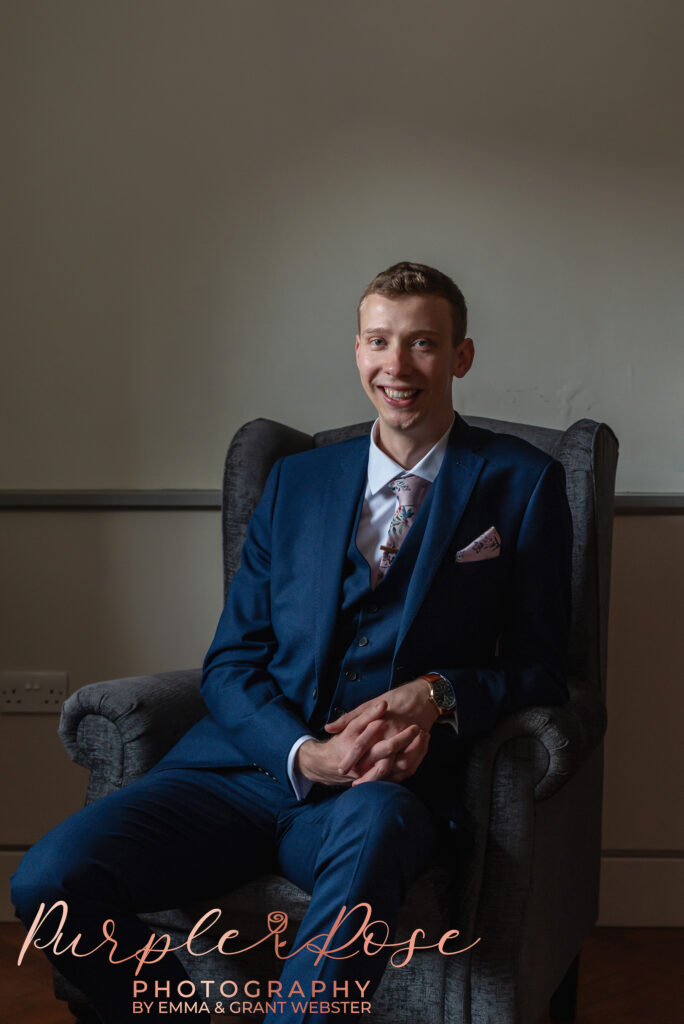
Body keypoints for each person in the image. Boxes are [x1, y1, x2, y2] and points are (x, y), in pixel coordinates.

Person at [11, 262, 572, 1023]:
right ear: (357, 350)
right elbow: (232, 663)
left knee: (377, 826)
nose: (397, 367)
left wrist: (439, 697)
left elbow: (543, 667)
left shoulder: (523, 482)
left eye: (423, 344)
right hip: (240, 773)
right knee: (47, 880)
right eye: (380, 342)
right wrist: (304, 754)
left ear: (460, 356)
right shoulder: (296, 480)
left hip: (382, 793)